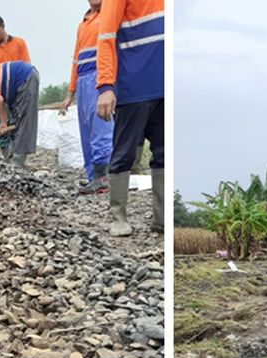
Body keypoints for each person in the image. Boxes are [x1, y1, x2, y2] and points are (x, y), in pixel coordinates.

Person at [96, 0, 165, 235]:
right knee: (124, 151)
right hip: (134, 84)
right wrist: (106, 86)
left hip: (164, 84)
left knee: (164, 153)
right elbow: (105, 37)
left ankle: (162, 219)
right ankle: (118, 217)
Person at [60, 0, 114, 195]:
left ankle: (103, 177)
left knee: (101, 126)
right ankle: (92, 176)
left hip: (100, 76)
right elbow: (75, 60)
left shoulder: (109, 16)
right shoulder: (83, 24)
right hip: (83, 79)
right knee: (86, 130)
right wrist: (70, 93)